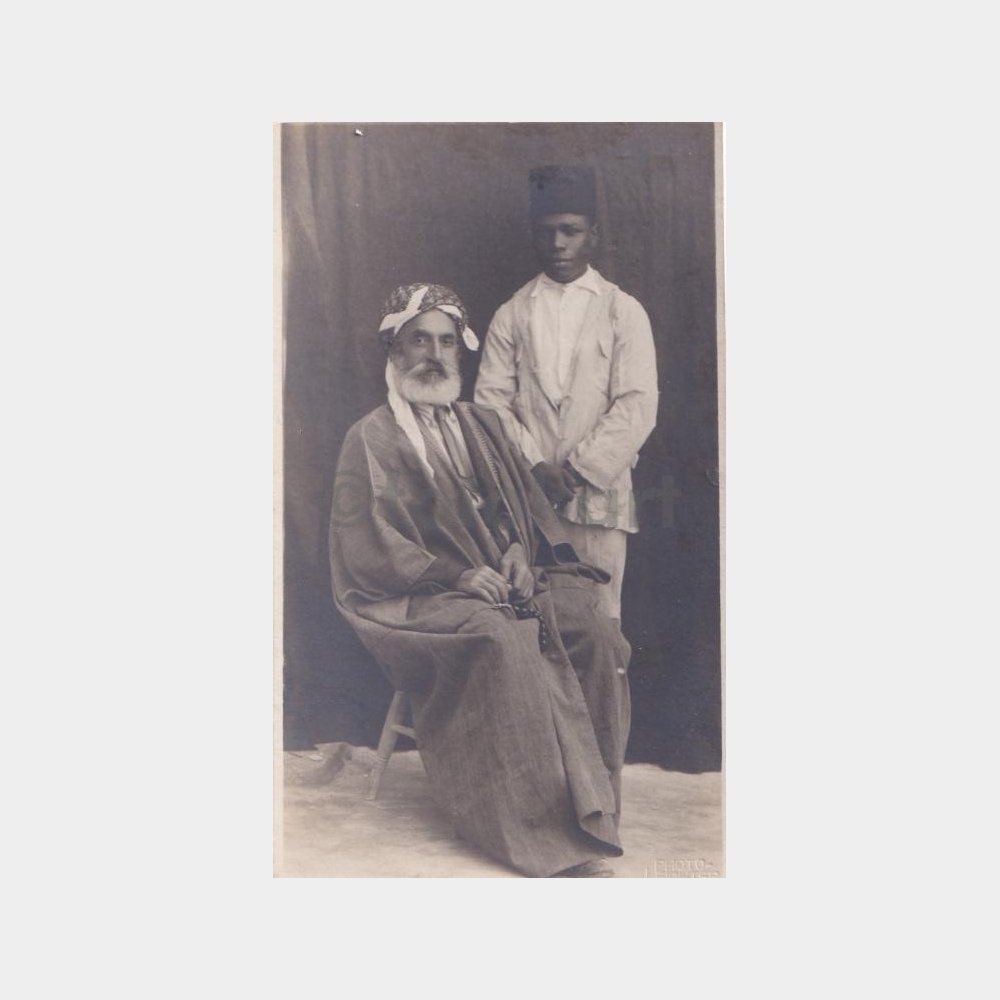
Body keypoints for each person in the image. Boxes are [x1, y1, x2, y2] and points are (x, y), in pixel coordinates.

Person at [329, 282, 632, 877]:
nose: (434, 356)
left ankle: (595, 811)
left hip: (500, 578)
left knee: (591, 627)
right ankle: (538, 831)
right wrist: (458, 574)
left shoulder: (484, 425)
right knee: (504, 640)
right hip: (416, 596)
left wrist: (519, 550)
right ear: (394, 350)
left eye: (446, 343)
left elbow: (519, 513)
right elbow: (365, 545)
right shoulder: (371, 437)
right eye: (420, 341)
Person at [474, 165, 659, 620]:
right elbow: (490, 404)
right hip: (530, 494)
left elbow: (637, 405)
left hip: (598, 497)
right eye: (547, 232)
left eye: (570, 231)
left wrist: (576, 471)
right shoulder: (511, 314)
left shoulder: (623, 311)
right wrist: (535, 466)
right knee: (536, 618)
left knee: (600, 619)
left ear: (592, 235)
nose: (557, 244)